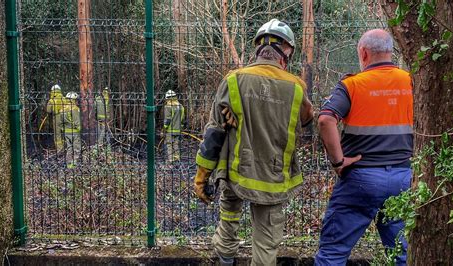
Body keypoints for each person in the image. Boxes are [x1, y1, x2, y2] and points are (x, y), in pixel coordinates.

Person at [193, 19, 313, 265]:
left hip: (235, 172)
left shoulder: (233, 80)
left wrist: (202, 175)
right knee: (266, 242)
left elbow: (214, 131)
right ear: (286, 52)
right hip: (273, 176)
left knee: (228, 225)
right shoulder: (297, 88)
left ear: (258, 48)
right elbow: (308, 122)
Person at [314, 29, 413, 265]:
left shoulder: (352, 85)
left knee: (333, 253)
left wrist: (338, 162)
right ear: (390, 51)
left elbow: (325, 119)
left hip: (360, 178)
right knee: (401, 254)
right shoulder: (411, 81)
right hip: (404, 178)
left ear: (364, 53)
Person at [163, 89, 185, 164]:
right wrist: (181, 127)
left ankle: (170, 160)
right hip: (178, 129)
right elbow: (182, 119)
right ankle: (177, 159)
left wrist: (164, 128)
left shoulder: (168, 106)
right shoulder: (180, 106)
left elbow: (167, 120)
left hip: (170, 130)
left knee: (169, 144)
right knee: (176, 144)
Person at [62, 92, 82, 169]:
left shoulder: (63, 108)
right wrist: (80, 130)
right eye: (76, 100)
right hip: (74, 132)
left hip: (66, 132)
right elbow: (77, 121)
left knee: (69, 148)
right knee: (77, 148)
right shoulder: (74, 108)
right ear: (73, 100)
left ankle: (68, 164)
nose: (77, 101)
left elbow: (61, 122)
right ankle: (75, 163)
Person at [46, 84, 66, 153]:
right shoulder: (64, 99)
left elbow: (48, 111)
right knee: (64, 132)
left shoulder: (51, 101)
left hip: (57, 118)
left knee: (57, 134)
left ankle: (60, 150)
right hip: (65, 117)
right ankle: (66, 147)